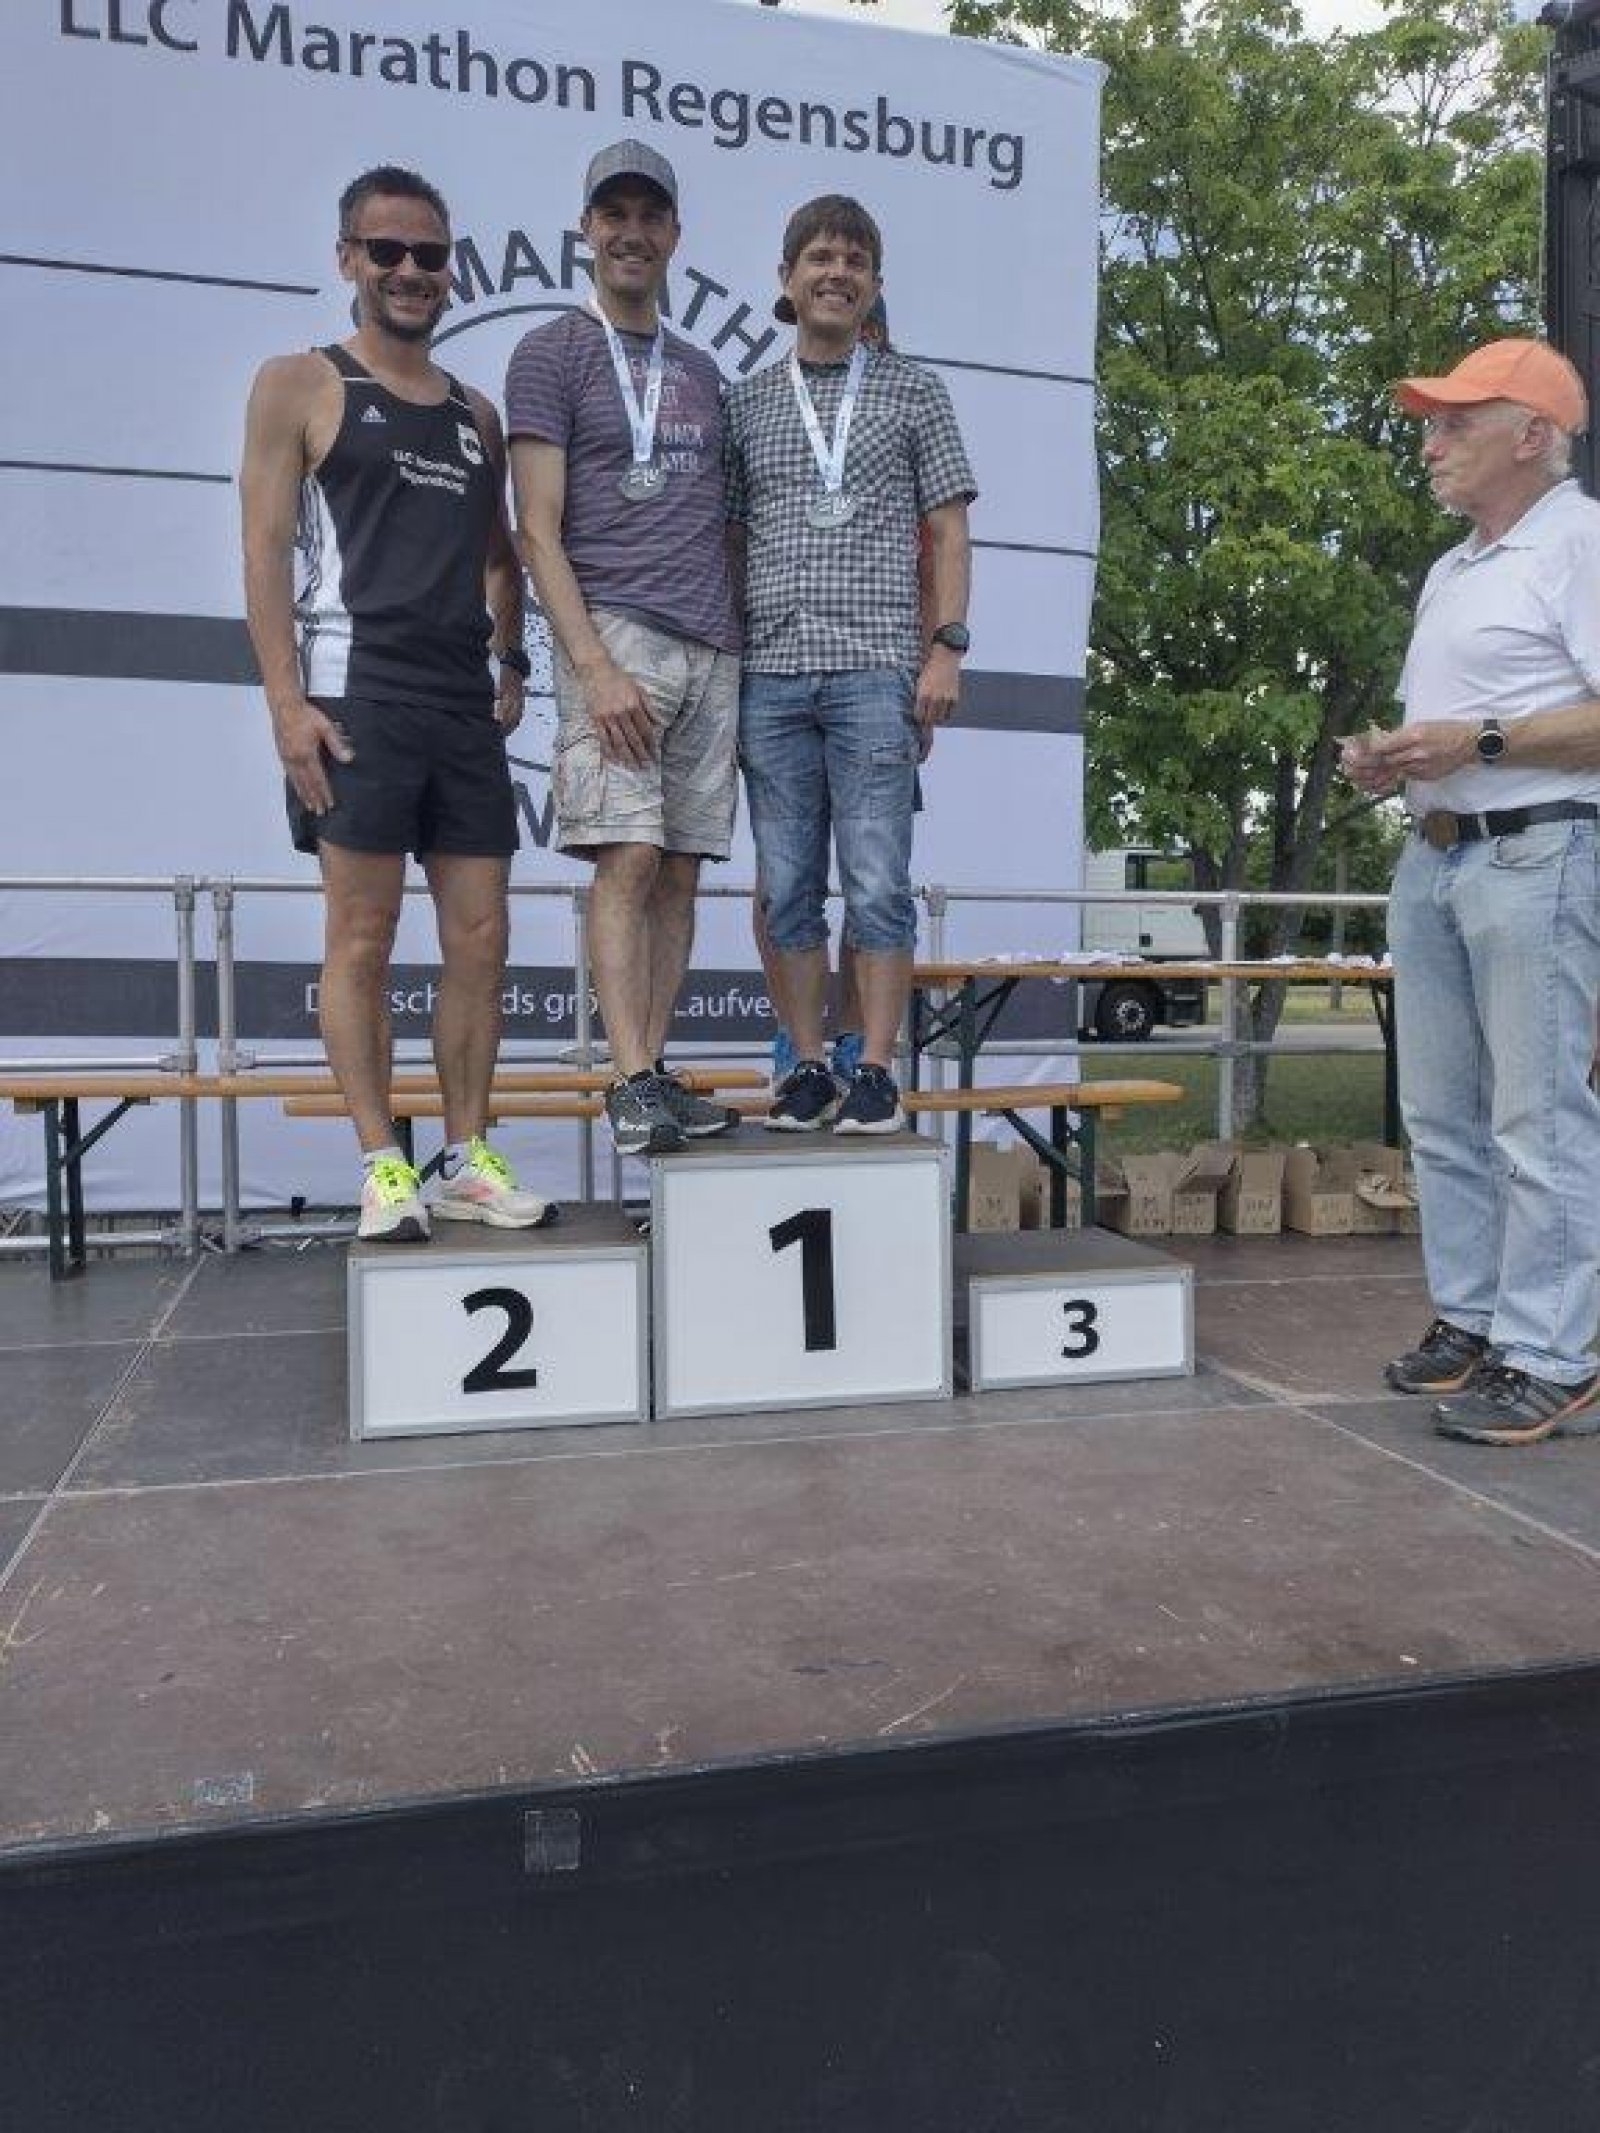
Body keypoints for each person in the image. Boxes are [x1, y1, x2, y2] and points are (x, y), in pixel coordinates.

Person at [241, 164, 550, 1244]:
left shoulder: (476, 413)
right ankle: (384, 1164)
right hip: (355, 695)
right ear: (349, 260)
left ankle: (464, 1156)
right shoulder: (299, 383)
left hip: (459, 706)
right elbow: (263, 551)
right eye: (388, 251)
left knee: (482, 938)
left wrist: (513, 660)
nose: (410, 270)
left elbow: (503, 557)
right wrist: (285, 705)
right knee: (362, 936)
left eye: (429, 254)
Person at [1344, 337, 1600, 1445]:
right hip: (1437, 853)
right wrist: (1394, 761)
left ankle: (1556, 1357)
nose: (1429, 443)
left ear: (1532, 435)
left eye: (1455, 422)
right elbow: (1457, 732)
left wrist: (1480, 739)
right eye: (1428, 423)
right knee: (1441, 1115)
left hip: (1539, 852)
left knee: (1537, 1117)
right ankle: (1479, 1319)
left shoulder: (1580, 542)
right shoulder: (1454, 568)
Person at [506, 141, 741, 1158]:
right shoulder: (550, 351)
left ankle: (656, 1070)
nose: (632, 233)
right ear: (587, 230)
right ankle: (631, 1077)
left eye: (650, 216)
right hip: (616, 632)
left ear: (674, 234)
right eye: (615, 215)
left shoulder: (703, 371)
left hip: (711, 644)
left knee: (681, 869)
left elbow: (724, 523)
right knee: (630, 854)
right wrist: (592, 666)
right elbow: (535, 527)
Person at [726, 197, 976, 1133]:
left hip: (876, 670)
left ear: (873, 283)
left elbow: (948, 530)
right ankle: (806, 1067)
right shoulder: (748, 401)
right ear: (788, 278)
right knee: (788, 886)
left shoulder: (916, 391)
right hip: (771, 674)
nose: (837, 273)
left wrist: (945, 647)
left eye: (855, 261)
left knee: (876, 883)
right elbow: (732, 540)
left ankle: (872, 1068)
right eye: (820, 257)